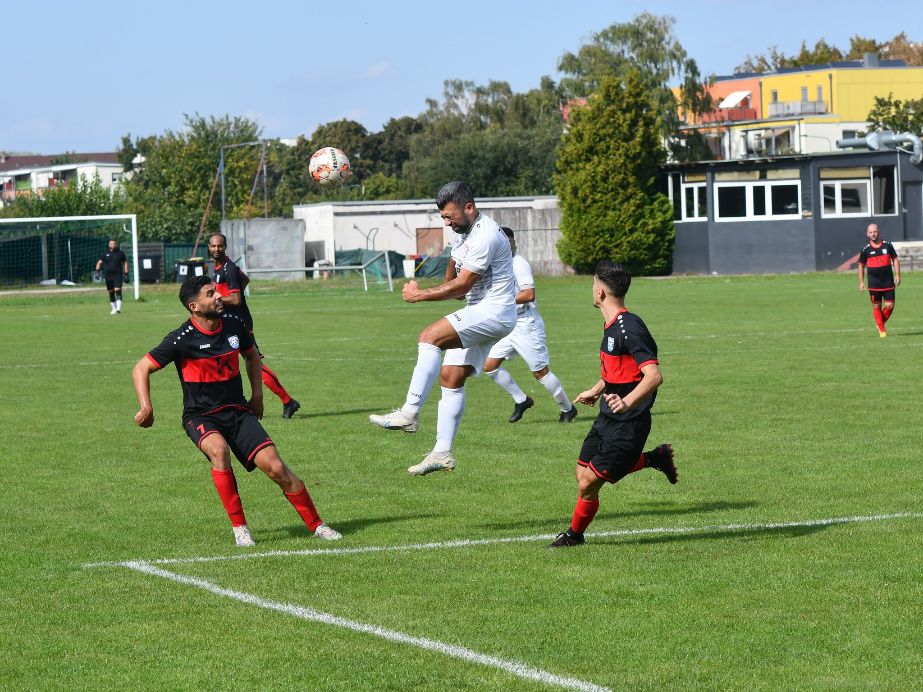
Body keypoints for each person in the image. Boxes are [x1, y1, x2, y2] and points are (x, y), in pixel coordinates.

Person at [131, 275, 340, 547]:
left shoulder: (234, 324)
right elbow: (141, 368)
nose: (219, 295)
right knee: (219, 451)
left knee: (277, 467)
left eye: (216, 291)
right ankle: (240, 529)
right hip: (201, 416)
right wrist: (146, 406)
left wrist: (258, 395)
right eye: (210, 294)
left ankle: (317, 525)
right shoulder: (180, 339)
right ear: (194, 306)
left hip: (238, 412)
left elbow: (251, 356)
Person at [369, 180, 517, 475]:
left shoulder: (486, 235)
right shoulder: (463, 230)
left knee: (429, 337)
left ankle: (409, 412)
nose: (447, 223)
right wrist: (450, 276)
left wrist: (419, 295)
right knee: (450, 377)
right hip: (480, 309)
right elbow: (456, 269)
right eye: (443, 217)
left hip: (494, 311)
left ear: (469, 207)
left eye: (450, 216)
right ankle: (442, 453)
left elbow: (462, 286)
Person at [549, 260, 677, 548]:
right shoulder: (611, 325)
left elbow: (654, 376)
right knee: (582, 473)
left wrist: (627, 402)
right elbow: (620, 370)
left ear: (601, 292)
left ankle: (574, 536)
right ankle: (654, 458)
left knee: (588, 483)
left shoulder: (630, 327)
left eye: (593, 284)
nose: (592, 289)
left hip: (629, 423)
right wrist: (597, 389)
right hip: (607, 418)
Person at [483, 227, 577, 424]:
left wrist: (502, 301)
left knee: (540, 373)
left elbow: (529, 294)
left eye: (509, 242)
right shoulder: (499, 264)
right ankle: (522, 400)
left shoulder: (519, 264)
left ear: (513, 243)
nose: (506, 246)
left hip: (526, 325)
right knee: (489, 366)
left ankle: (568, 409)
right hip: (509, 324)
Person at [207, 233, 301, 418]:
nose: (217, 249)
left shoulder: (228, 269)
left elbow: (235, 299)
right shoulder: (220, 267)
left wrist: (215, 300)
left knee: (255, 363)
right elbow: (245, 279)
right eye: (213, 246)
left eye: (220, 246)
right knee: (224, 359)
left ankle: (288, 401)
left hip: (239, 324)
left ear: (225, 247)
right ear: (209, 247)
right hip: (228, 321)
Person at [857, 223, 901, 337]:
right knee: (876, 306)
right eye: (871, 232)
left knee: (890, 305)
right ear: (867, 234)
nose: (873, 234)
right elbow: (861, 265)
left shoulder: (888, 245)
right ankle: (882, 330)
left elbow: (895, 259)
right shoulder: (865, 249)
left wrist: (897, 275)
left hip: (888, 281)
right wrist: (861, 282)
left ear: (878, 232)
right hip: (874, 283)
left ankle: (879, 323)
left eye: (875, 231)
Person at [95, 238, 128, 314]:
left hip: (118, 275)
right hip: (108, 276)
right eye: (112, 244)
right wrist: (97, 272)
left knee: (118, 291)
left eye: (114, 244)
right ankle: (114, 309)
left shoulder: (120, 253)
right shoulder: (105, 253)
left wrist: (126, 274)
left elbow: (125, 263)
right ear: (109, 245)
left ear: (116, 244)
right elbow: (99, 263)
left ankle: (118, 309)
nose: (113, 245)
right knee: (111, 292)